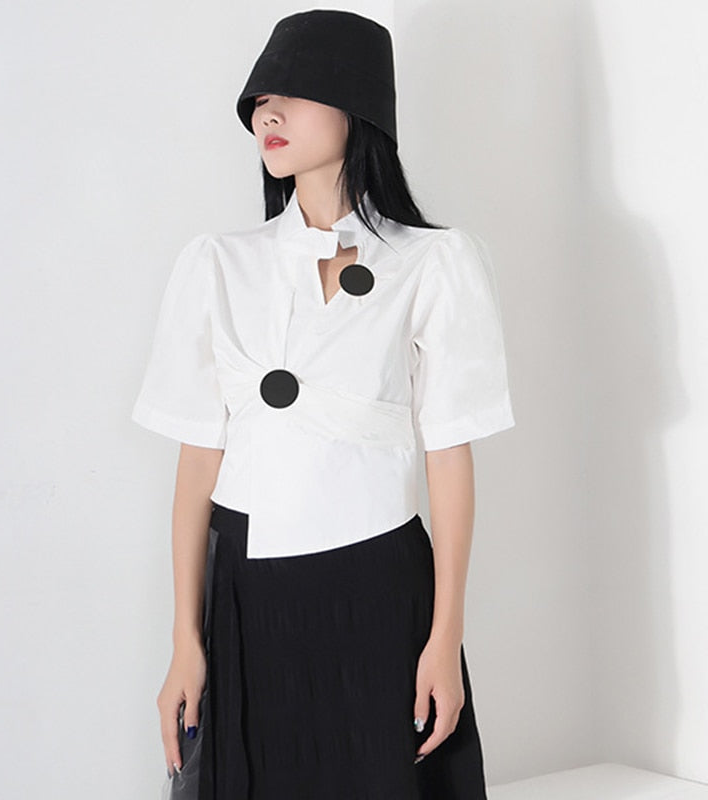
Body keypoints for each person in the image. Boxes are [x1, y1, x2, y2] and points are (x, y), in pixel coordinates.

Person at [132, 9, 515, 800]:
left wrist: (445, 638)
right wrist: (184, 640)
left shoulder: (434, 263)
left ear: (358, 105)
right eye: (259, 101)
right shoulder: (217, 265)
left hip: (378, 585)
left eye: (294, 94)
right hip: (246, 591)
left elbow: (449, 457)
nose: (267, 114)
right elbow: (197, 464)